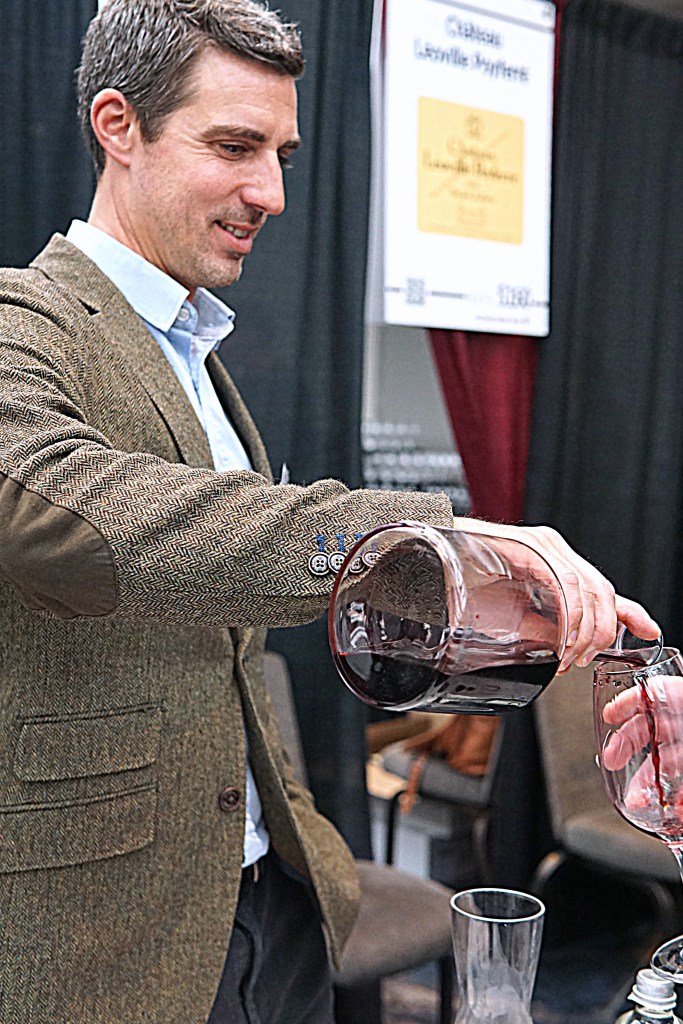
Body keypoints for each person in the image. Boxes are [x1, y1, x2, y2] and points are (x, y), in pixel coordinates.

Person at [0, 2, 659, 1022]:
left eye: (282, 155)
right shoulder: (22, 324)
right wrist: (426, 530)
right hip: (105, 933)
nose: (269, 191)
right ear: (117, 125)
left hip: (277, 900)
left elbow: (227, 603)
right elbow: (72, 515)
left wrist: (517, 619)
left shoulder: (198, 360)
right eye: (234, 147)